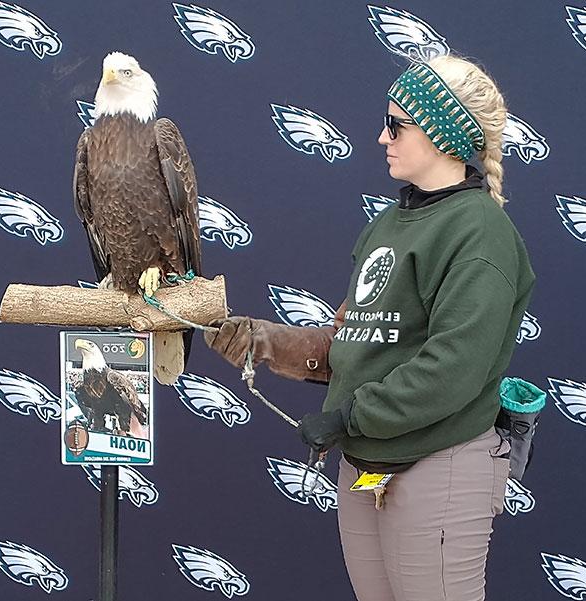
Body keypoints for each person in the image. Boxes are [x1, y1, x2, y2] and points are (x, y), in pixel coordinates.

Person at [204, 55, 535, 601]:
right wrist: (268, 342)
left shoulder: (479, 232)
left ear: (443, 132)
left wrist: (350, 415)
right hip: (366, 467)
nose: (382, 137)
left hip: (439, 463)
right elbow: (356, 338)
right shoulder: (388, 223)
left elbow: (454, 367)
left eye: (396, 125)